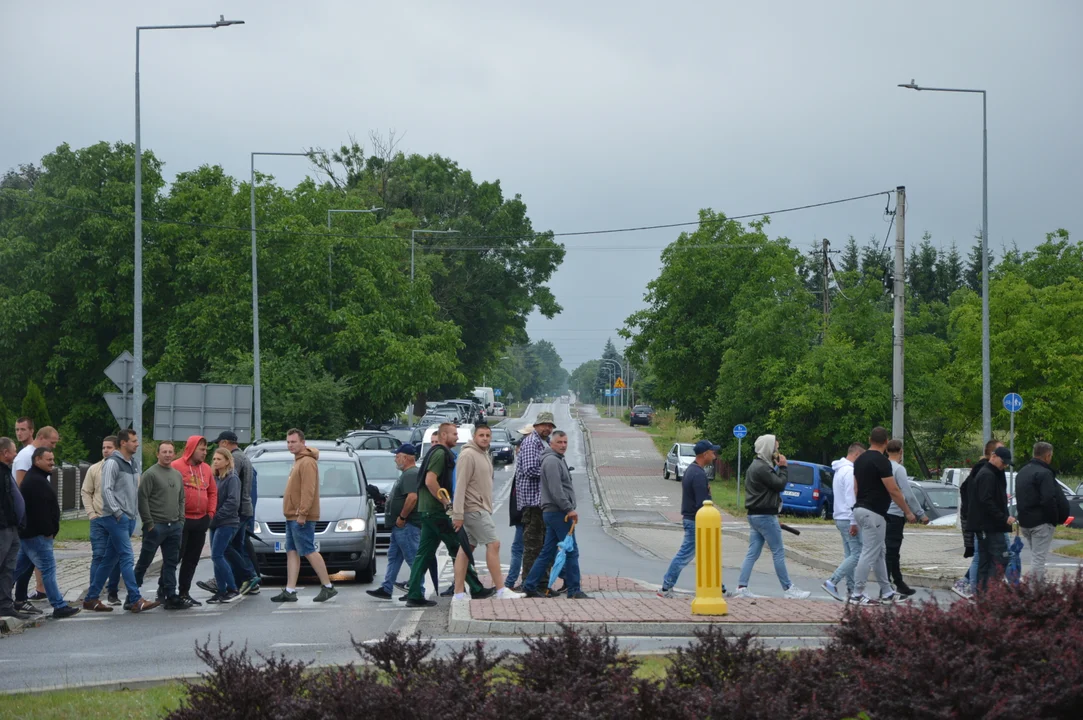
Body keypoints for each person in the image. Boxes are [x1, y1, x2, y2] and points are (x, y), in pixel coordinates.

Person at [403, 423, 493, 607]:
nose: (457, 438)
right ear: (444, 435)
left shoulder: (436, 452)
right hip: (437, 512)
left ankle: (414, 594)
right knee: (460, 547)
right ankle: (476, 588)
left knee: (424, 553)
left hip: (427, 510)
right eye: (454, 434)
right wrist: (446, 502)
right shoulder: (440, 453)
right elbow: (430, 480)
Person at [82, 429, 159, 613]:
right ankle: (135, 599)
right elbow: (106, 490)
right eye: (133, 441)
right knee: (126, 556)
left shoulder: (132, 463)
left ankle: (91, 598)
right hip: (115, 518)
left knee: (109, 559)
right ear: (123, 443)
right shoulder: (112, 463)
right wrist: (118, 514)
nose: (137, 444)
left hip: (128, 518)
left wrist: (132, 517)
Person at [732, 435, 811, 599]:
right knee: (778, 551)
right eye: (775, 448)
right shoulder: (762, 468)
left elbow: (771, 484)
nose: (777, 452)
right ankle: (788, 588)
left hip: (754, 515)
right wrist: (783, 467)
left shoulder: (757, 466)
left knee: (753, 552)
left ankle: (741, 587)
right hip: (765, 515)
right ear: (768, 449)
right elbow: (779, 484)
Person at [451, 424, 524, 600]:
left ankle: (458, 593)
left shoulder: (483, 453)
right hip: (474, 508)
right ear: (474, 437)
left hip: (480, 507)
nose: (485, 438)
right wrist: (458, 514)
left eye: (487, 435)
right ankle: (501, 589)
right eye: (481, 435)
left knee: (466, 548)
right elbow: (460, 485)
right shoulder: (468, 455)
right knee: (494, 544)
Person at [849, 427, 915, 606]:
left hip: (860, 509)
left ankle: (887, 592)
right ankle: (857, 593)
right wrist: (907, 511)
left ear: (870, 439)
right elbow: (893, 489)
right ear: (886, 443)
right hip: (875, 513)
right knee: (869, 552)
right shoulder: (882, 462)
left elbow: (855, 488)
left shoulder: (859, 459)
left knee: (879, 553)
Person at [12, 448, 80, 619]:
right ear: (37, 460)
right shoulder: (35, 481)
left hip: (31, 535)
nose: (52, 463)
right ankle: (59, 606)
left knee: (16, 570)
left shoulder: (36, 478)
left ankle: (8, 598)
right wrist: (49, 531)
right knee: (48, 569)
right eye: (48, 460)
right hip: (38, 535)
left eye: (53, 459)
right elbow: (40, 511)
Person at [272, 429, 337, 603]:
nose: (290, 445)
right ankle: (290, 590)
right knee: (292, 551)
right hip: (292, 515)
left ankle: (328, 586)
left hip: (301, 516)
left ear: (303, 442)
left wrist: (303, 513)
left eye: (293, 442)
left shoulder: (307, 462)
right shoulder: (298, 461)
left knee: (308, 550)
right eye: (288, 442)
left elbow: (308, 490)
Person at [367, 444, 438, 600]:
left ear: (405, 457)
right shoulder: (407, 474)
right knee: (394, 557)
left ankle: (417, 591)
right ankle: (387, 588)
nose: (395, 459)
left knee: (413, 558)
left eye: (397, 456)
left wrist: (402, 517)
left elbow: (412, 497)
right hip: (400, 526)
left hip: (407, 525)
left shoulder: (411, 474)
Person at [523, 430, 588, 599]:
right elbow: (556, 490)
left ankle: (530, 585)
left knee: (548, 552)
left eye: (565, 442)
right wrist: (569, 509)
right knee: (571, 550)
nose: (563, 445)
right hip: (559, 513)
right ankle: (574, 590)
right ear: (551, 443)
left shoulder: (556, 459)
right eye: (559, 442)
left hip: (553, 512)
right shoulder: (552, 461)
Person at [658, 440, 717, 598]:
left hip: (693, 519)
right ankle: (666, 587)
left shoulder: (692, 470)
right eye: (712, 452)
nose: (715, 455)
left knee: (709, 555)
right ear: (704, 454)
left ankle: (719, 587)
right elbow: (702, 503)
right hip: (696, 521)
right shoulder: (698, 474)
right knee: (685, 555)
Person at [133, 441, 187, 610]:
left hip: (174, 526)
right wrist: (149, 523)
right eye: (164, 451)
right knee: (145, 561)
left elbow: (181, 499)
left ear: (174, 454)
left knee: (171, 563)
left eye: (170, 451)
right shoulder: (150, 474)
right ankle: (132, 595)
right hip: (156, 527)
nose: (167, 454)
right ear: (158, 454)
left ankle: (170, 595)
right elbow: (142, 499)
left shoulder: (177, 475)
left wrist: (181, 520)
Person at [953, 439, 1003, 599]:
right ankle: (974, 590)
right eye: (1001, 450)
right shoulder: (985, 470)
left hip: (981, 520)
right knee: (986, 556)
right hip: (983, 522)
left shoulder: (984, 469)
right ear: (993, 454)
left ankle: (974, 588)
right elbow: (984, 498)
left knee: (983, 556)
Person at [13, 424, 57, 602]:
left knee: (21, 566)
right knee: (45, 566)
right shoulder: (26, 457)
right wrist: (44, 527)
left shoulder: (38, 465)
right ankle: (58, 604)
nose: (53, 446)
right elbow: (23, 493)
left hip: (34, 527)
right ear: (42, 437)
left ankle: (20, 599)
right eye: (52, 442)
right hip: (34, 527)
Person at [213, 431, 260, 595]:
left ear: (225, 443)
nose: (216, 460)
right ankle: (245, 581)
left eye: (219, 444)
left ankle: (248, 576)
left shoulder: (236, 459)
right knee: (237, 546)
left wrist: (218, 515)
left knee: (224, 548)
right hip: (242, 510)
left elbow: (232, 487)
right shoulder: (243, 456)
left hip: (236, 512)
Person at [1015, 442, 1070, 582]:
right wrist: (1053, 519)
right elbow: (1048, 499)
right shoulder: (1044, 473)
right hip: (1041, 522)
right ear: (1047, 456)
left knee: (1036, 555)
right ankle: (1035, 591)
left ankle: (1037, 585)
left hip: (1025, 521)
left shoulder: (1022, 472)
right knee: (1038, 559)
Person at [81, 436, 126, 605]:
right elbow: (86, 492)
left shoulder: (123, 468)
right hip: (99, 519)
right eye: (103, 447)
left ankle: (112, 592)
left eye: (109, 447)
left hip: (117, 519)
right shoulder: (95, 469)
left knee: (115, 557)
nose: (105, 450)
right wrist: (91, 513)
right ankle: (94, 594)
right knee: (99, 556)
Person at [514, 412, 555, 594]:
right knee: (533, 547)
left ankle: (542, 584)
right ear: (537, 425)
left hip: (542, 503)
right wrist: (552, 473)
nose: (547, 428)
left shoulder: (543, 442)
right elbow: (530, 469)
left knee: (544, 546)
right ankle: (529, 584)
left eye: (550, 426)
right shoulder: (531, 442)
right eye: (544, 425)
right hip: (532, 503)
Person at [173, 435, 216, 607]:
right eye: (202, 449)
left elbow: (212, 492)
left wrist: (210, 513)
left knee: (192, 559)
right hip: (181, 520)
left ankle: (184, 592)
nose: (205, 453)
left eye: (206, 450)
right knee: (175, 556)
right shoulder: (176, 466)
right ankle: (165, 591)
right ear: (191, 449)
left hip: (200, 520)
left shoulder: (206, 469)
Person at [884, 439, 929, 597]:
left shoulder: (881, 465)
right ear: (901, 452)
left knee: (890, 551)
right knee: (892, 550)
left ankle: (898, 582)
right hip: (895, 513)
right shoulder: (899, 469)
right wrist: (920, 513)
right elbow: (907, 494)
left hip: (880, 512)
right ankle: (887, 586)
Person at [822, 443, 865, 601]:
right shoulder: (849, 471)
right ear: (857, 455)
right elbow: (850, 496)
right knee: (857, 554)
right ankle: (832, 581)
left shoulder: (839, 470)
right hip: (848, 518)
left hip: (840, 516)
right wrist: (854, 520)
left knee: (849, 554)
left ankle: (852, 589)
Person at [969, 446, 1015, 593]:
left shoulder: (994, 473)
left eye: (1007, 463)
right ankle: (988, 593)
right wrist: (1004, 518)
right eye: (1003, 462)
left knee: (987, 560)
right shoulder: (988, 475)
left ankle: (983, 593)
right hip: (990, 526)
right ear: (993, 456)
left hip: (989, 525)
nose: (1005, 466)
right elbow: (986, 501)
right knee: (998, 559)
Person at [207, 447, 245, 604]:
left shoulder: (232, 478)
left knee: (217, 554)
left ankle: (233, 588)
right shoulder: (215, 478)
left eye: (219, 459)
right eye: (214, 459)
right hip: (214, 522)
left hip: (227, 522)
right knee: (216, 556)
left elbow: (233, 502)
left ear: (228, 461)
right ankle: (221, 590)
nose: (216, 462)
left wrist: (216, 516)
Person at [0, 437, 28, 620]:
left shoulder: (5, 471)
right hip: (3, 528)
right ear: (5, 453)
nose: (16, 453)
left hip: (11, 527)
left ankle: (5, 604)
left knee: (8, 568)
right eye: (13, 450)